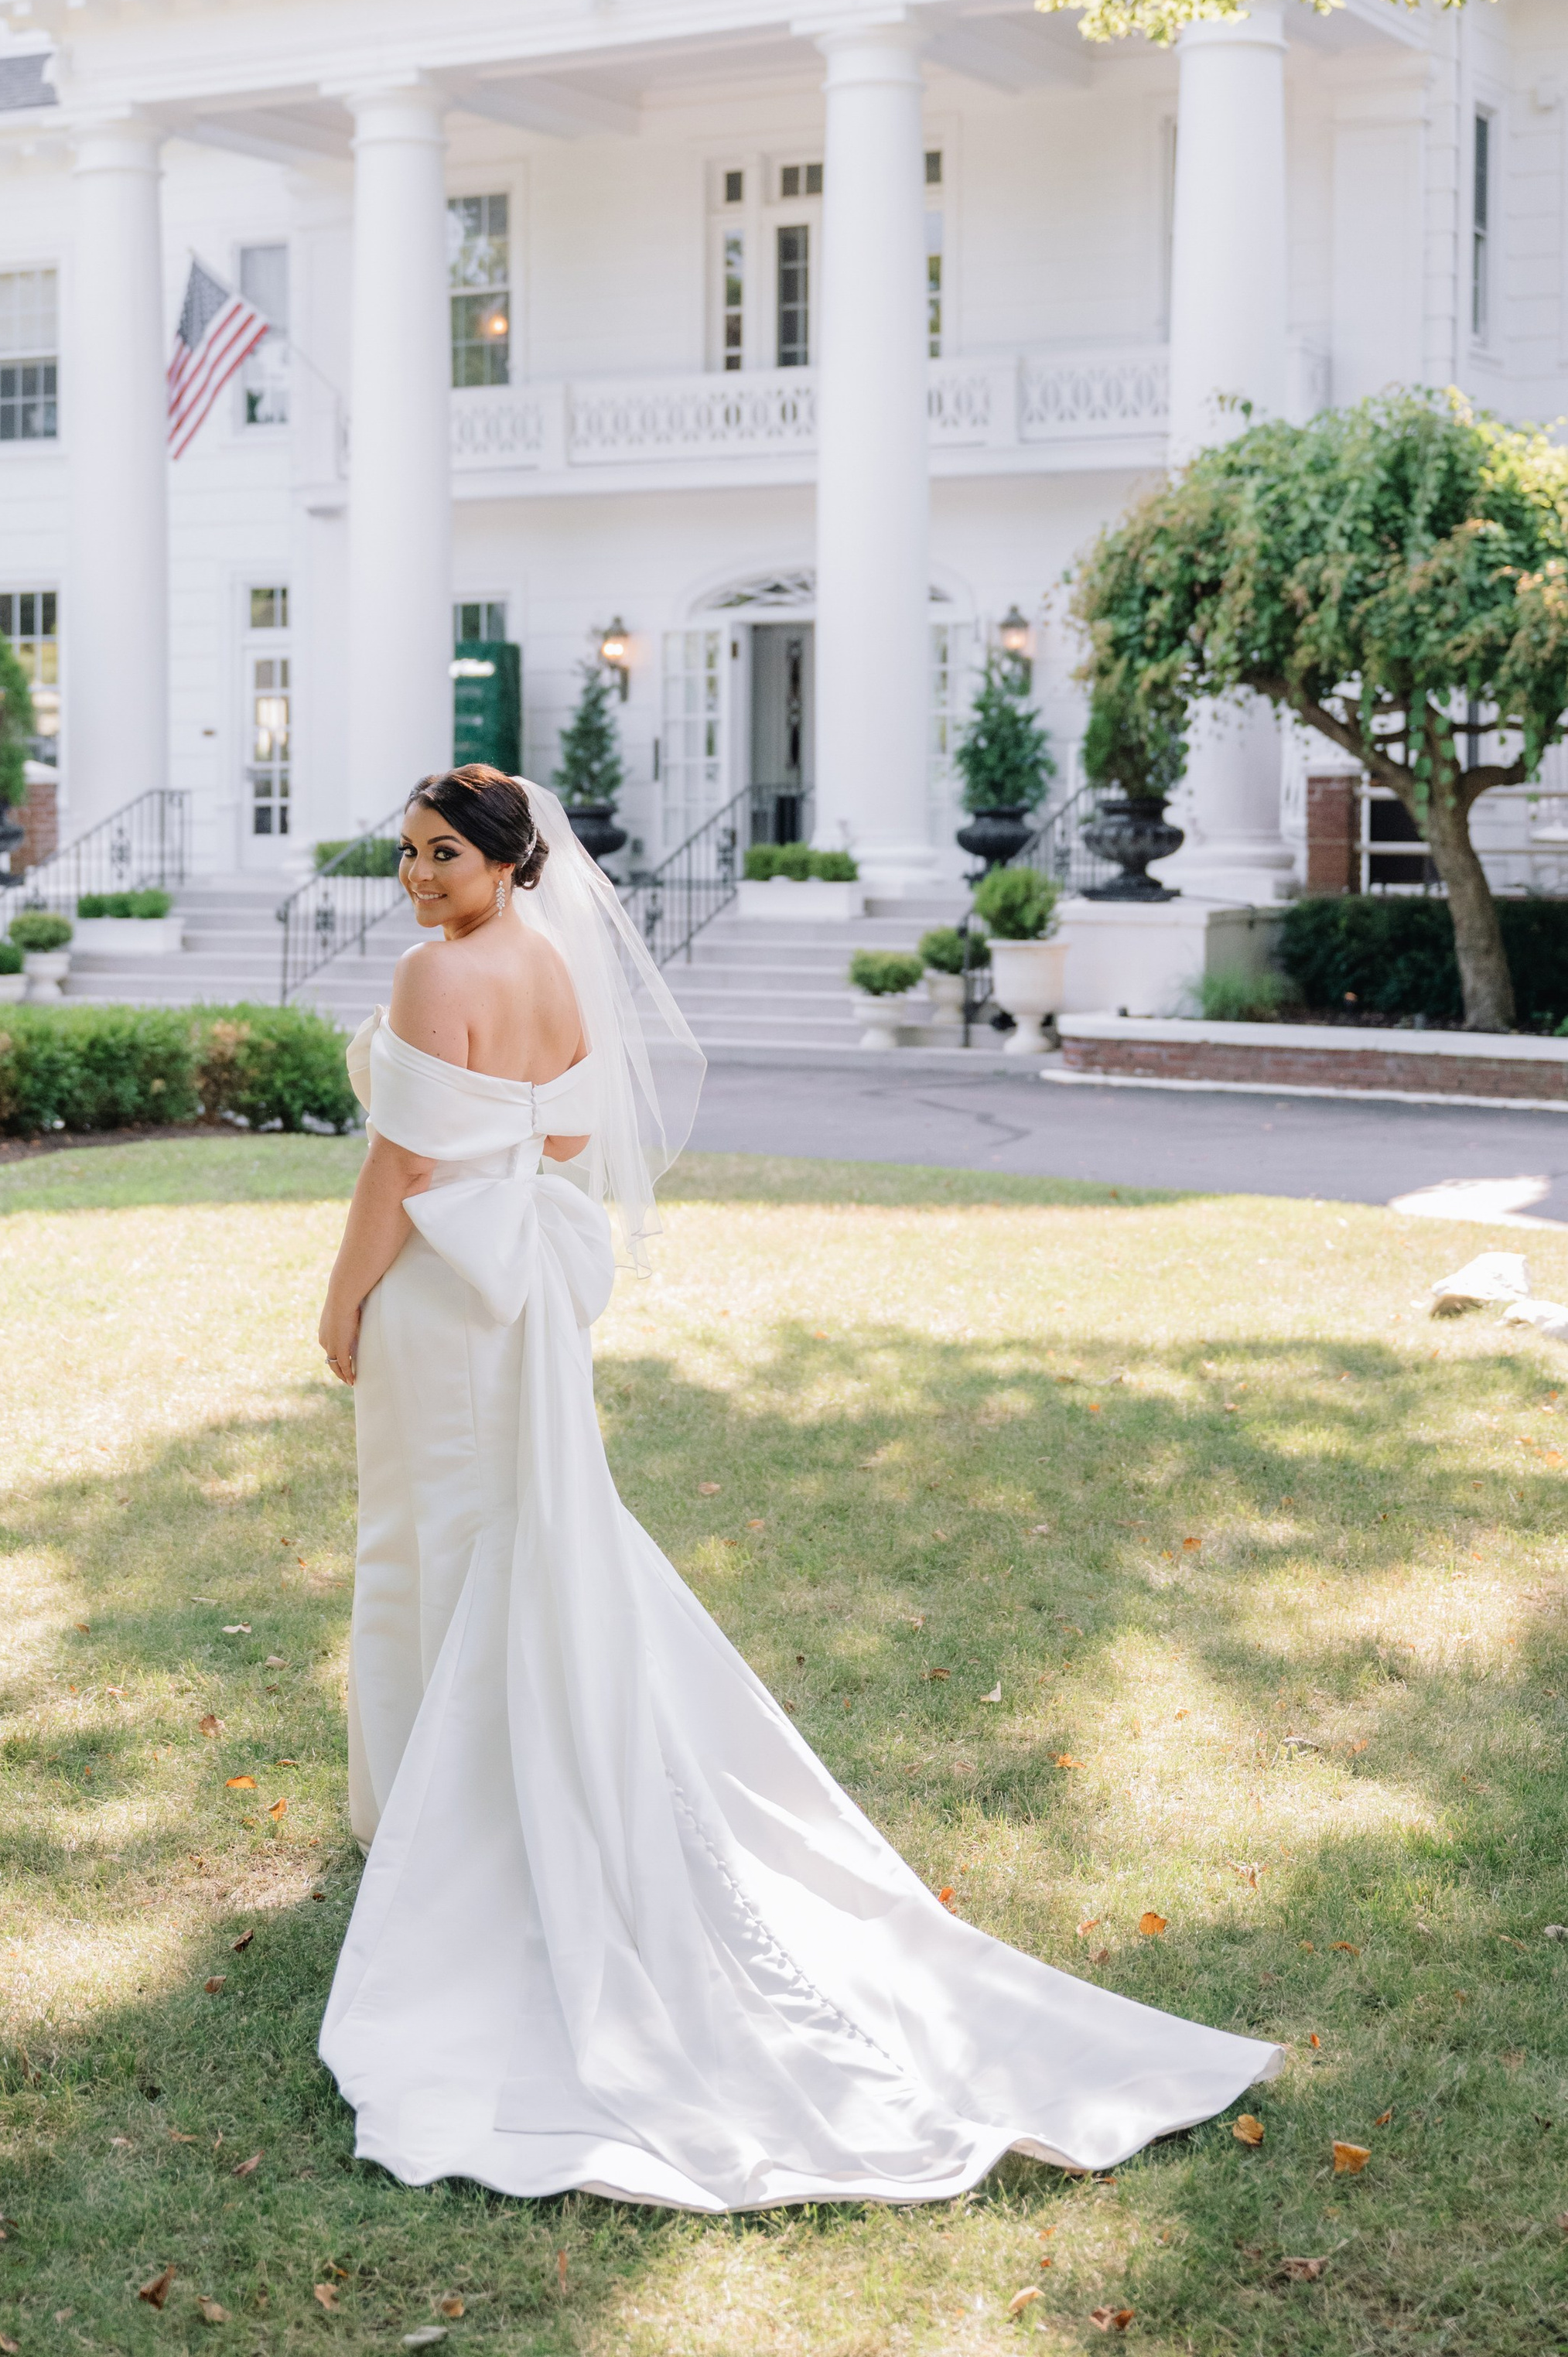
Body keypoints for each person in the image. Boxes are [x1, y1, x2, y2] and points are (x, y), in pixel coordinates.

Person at [315, 763, 1276, 2210]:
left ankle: (438, 1822)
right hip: (525, 1299)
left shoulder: (429, 974)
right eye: (405, 855)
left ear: (509, 861)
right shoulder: (559, 970)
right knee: (519, 1534)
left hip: (446, 1299)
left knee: (431, 1541)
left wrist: (342, 1303)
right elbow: (567, 1140)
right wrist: (501, 1174)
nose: (416, 877)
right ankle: (505, 1786)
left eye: (442, 854)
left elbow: (394, 1165)